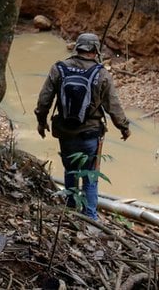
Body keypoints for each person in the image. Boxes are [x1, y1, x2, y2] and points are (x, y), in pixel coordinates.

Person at [35, 32, 131, 220]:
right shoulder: (101, 74)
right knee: (90, 177)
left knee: (70, 170)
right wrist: (124, 127)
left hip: (65, 132)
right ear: (95, 51)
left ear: (77, 47)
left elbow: (44, 99)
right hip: (90, 134)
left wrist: (41, 122)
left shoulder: (59, 69)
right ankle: (91, 218)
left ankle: (70, 211)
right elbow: (114, 106)